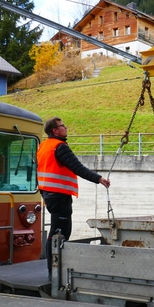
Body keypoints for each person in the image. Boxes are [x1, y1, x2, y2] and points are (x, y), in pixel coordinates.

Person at [37, 117, 110, 279]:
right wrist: (99, 179)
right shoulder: (59, 147)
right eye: (62, 126)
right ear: (55, 131)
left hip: (49, 195)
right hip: (59, 197)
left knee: (56, 231)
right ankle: (54, 272)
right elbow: (77, 167)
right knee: (60, 233)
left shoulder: (44, 146)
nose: (65, 128)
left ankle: (54, 269)